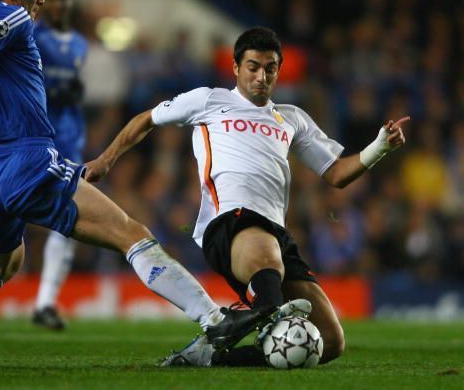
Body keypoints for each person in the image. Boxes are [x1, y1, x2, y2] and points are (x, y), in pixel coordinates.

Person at [0, 0, 292, 369]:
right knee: (130, 232)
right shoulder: (8, 16)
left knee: (2, 261)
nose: (41, 0)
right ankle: (215, 321)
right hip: (24, 160)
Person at [85, 26, 409, 367]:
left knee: (329, 342)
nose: (261, 76)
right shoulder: (209, 100)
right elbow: (146, 119)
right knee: (267, 265)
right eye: (253, 66)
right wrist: (106, 160)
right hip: (228, 221)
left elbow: (336, 174)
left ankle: (212, 355)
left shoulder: (292, 118)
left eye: (270, 68)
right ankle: (261, 309)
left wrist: (379, 147)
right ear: (236, 68)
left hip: (274, 234)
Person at [30, 0, 88, 330]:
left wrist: (74, 93)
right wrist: (54, 90)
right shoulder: (32, 37)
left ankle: (45, 302)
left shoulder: (81, 43)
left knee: (68, 219)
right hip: (36, 138)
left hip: (70, 141)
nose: (58, 5)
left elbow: (76, 90)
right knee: (10, 214)